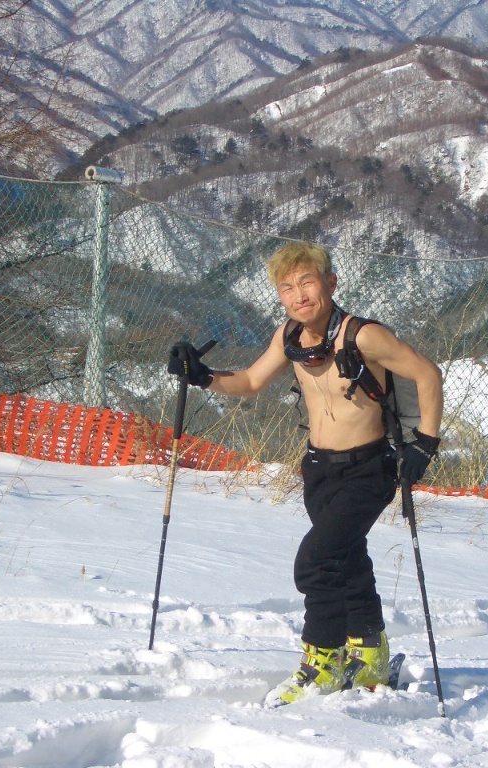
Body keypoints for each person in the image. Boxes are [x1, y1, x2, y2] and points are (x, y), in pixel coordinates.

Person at [167, 241, 443, 706]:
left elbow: (428, 374)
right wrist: (202, 374)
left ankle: (323, 663)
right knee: (346, 559)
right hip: (317, 470)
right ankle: (370, 654)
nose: (299, 295)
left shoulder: (364, 335)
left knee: (315, 563)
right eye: (287, 287)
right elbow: (252, 382)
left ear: (330, 284)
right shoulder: (290, 336)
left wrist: (426, 445)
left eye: (307, 282)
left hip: (368, 469)